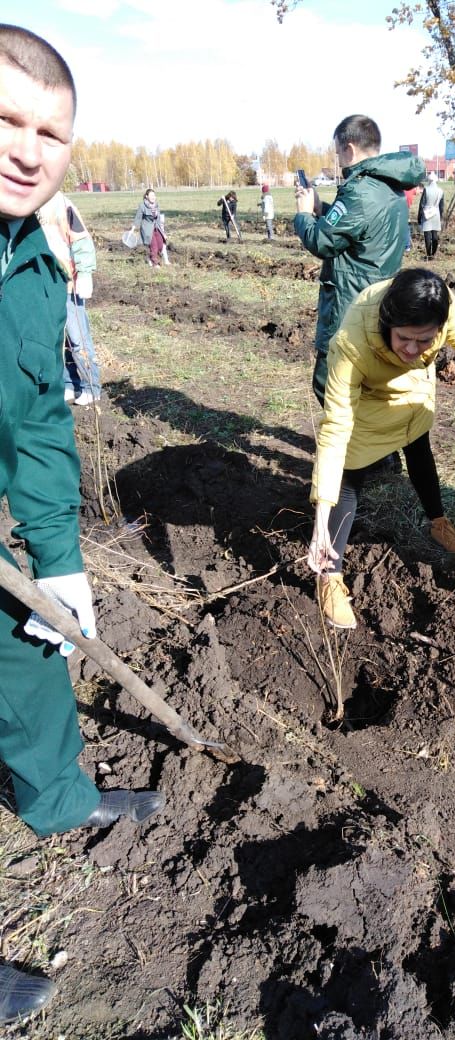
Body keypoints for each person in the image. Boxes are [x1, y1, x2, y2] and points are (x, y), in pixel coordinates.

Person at [0, 24, 164, 1027]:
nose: (27, 148)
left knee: (26, 647)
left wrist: (58, 559)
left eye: (49, 133)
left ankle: (57, 795)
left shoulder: (33, 260)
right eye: (5, 120)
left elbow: (33, 419)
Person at [308, 268, 455, 630]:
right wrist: (319, 520)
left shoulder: (440, 305)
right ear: (387, 322)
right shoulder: (351, 343)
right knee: (350, 474)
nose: (412, 349)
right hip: (369, 402)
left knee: (419, 448)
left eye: (424, 341)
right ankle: (330, 574)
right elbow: (334, 430)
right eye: (404, 338)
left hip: (414, 394)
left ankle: (438, 523)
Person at [294, 114, 426, 405]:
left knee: (328, 383)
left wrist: (303, 214)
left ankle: (361, 448)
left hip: (350, 301)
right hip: (380, 296)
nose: (339, 159)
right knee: (364, 381)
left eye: (338, 152)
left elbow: (323, 242)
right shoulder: (389, 185)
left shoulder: (359, 190)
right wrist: (322, 208)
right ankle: (368, 444)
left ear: (349, 149)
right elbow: (358, 229)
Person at [37, 190, 101, 405]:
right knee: (56, 339)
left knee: (78, 338)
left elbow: (81, 240)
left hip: (67, 285)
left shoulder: (62, 205)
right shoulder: (27, 205)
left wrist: (84, 273)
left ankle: (91, 386)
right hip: (42, 286)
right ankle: (69, 384)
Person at [130, 187, 166, 267]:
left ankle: (151, 258)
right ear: (146, 196)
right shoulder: (142, 206)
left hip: (156, 227)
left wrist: (163, 233)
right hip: (147, 229)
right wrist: (132, 229)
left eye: (154, 195)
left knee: (160, 245)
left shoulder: (156, 205)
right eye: (151, 195)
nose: (153, 197)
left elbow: (158, 219)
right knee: (154, 246)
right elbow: (138, 218)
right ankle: (154, 263)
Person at [418, 171, 444, 260]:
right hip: (436, 213)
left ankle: (429, 254)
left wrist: (419, 216)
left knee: (427, 234)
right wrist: (441, 216)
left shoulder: (426, 189)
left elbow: (422, 204)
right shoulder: (440, 191)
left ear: (428, 180)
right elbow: (441, 205)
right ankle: (433, 253)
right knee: (435, 234)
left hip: (427, 213)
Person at [403, 186, 416, 252]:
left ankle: (406, 245)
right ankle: (407, 246)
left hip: (403, 207)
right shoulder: (411, 189)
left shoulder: (405, 188)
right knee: (406, 228)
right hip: (404, 208)